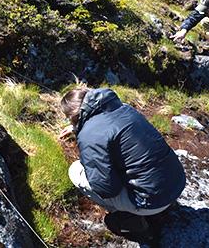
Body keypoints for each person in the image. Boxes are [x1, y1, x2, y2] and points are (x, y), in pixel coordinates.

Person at [59, 87, 186, 243]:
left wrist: (84, 138)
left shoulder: (89, 134)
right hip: (176, 182)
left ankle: (132, 221)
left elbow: (106, 189)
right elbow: (107, 127)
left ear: (72, 116)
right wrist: (77, 128)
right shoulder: (125, 108)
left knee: (75, 170)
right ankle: (158, 210)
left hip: (152, 200)